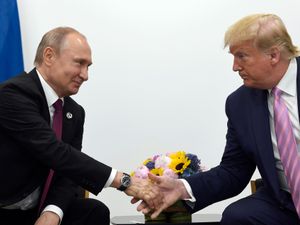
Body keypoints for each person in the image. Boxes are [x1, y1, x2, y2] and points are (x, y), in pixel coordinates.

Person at [136, 14, 300, 225]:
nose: (235, 66)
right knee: (238, 217)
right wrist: (182, 188)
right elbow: (234, 170)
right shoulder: (239, 103)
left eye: (242, 56)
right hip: (284, 201)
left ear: (273, 55)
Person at [0, 27, 160, 225]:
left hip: (37, 210)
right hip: (5, 207)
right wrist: (122, 180)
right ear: (49, 56)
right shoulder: (13, 94)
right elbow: (53, 151)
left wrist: (53, 212)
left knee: (94, 211)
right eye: (79, 63)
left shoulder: (74, 112)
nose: (85, 75)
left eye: (88, 66)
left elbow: (68, 173)